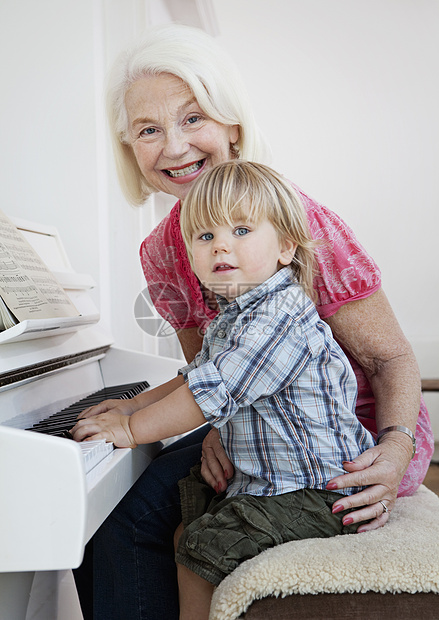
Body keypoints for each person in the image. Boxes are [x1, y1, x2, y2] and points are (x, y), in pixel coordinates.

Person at [76, 23, 433, 620]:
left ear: (232, 124)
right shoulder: (165, 251)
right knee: (112, 515)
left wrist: (393, 449)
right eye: (148, 129)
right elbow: (209, 371)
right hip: (249, 415)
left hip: (346, 446)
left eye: (194, 118)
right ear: (130, 149)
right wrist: (173, 420)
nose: (174, 146)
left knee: (137, 524)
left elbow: (386, 357)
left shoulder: (291, 221)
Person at [72, 160, 377, 620]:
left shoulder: (278, 318)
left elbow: (206, 395)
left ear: (285, 247)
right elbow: (197, 374)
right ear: (191, 254)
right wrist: (134, 404)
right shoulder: (236, 313)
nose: (222, 247)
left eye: (240, 229)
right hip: (271, 481)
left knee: (197, 546)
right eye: (206, 236)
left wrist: (131, 430)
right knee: (182, 525)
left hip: (318, 493)